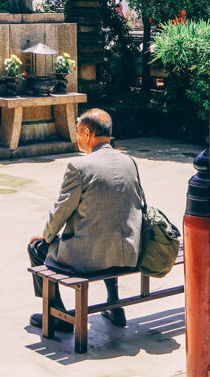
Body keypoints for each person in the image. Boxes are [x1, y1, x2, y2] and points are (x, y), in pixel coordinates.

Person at [27, 108, 144, 331]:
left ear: (87, 133)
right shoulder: (130, 162)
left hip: (89, 260)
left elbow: (61, 211)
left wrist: (46, 235)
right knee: (108, 228)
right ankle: (114, 305)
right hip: (128, 253)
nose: (77, 137)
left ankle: (58, 316)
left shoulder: (80, 167)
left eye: (79, 132)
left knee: (36, 247)